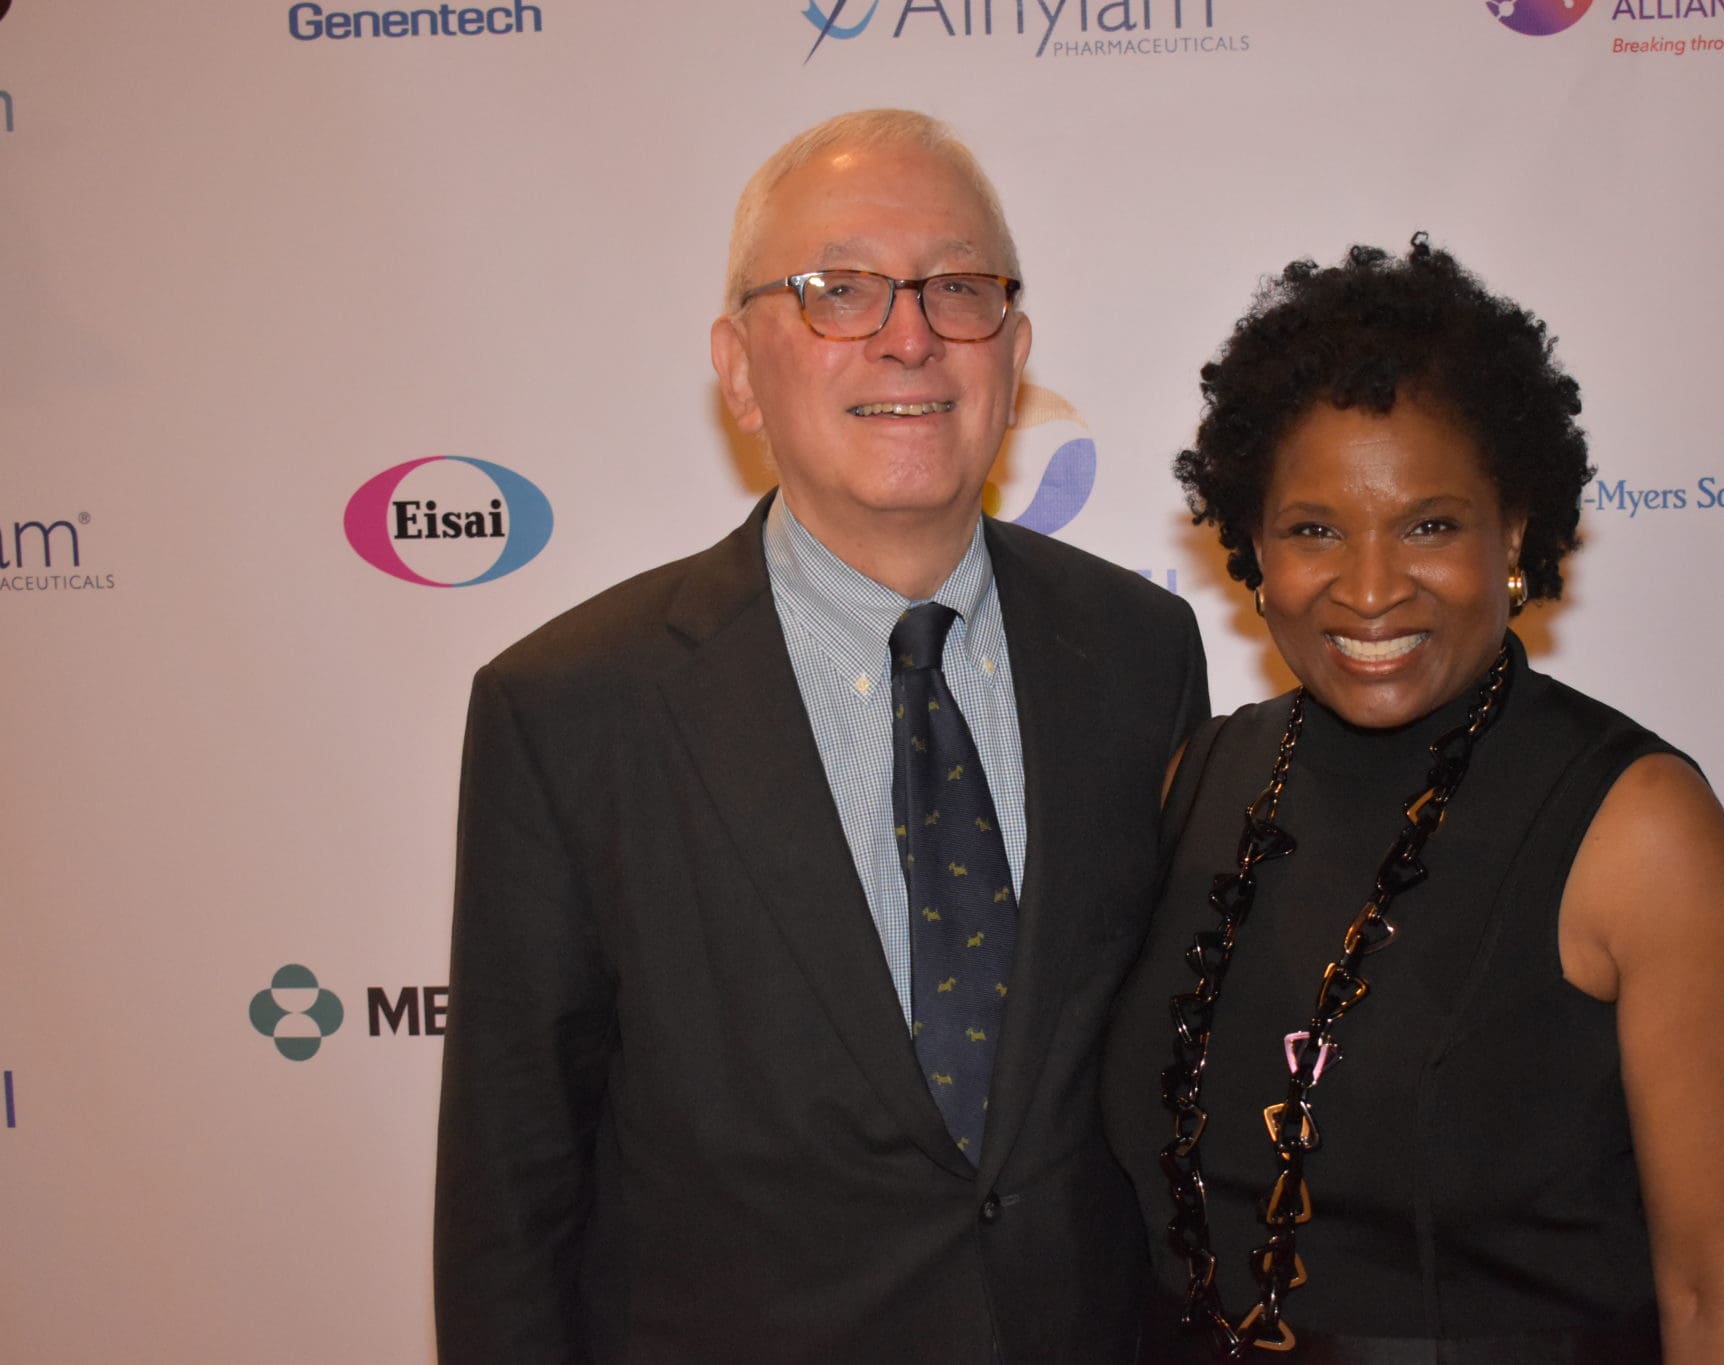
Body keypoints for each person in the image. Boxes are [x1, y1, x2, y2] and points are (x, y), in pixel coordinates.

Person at [434, 109, 1209, 1364]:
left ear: (1011, 355)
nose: (907, 336)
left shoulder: (1137, 654)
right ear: (738, 367)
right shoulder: (569, 707)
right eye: (834, 292)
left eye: (956, 290)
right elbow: (510, 1201)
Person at [1103, 237, 1724, 1363]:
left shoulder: (1636, 833)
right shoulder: (1201, 780)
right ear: (1252, 549)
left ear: (1512, 531)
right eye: (1312, 528)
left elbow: (1723, 1311)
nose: (1369, 588)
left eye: (1428, 524)